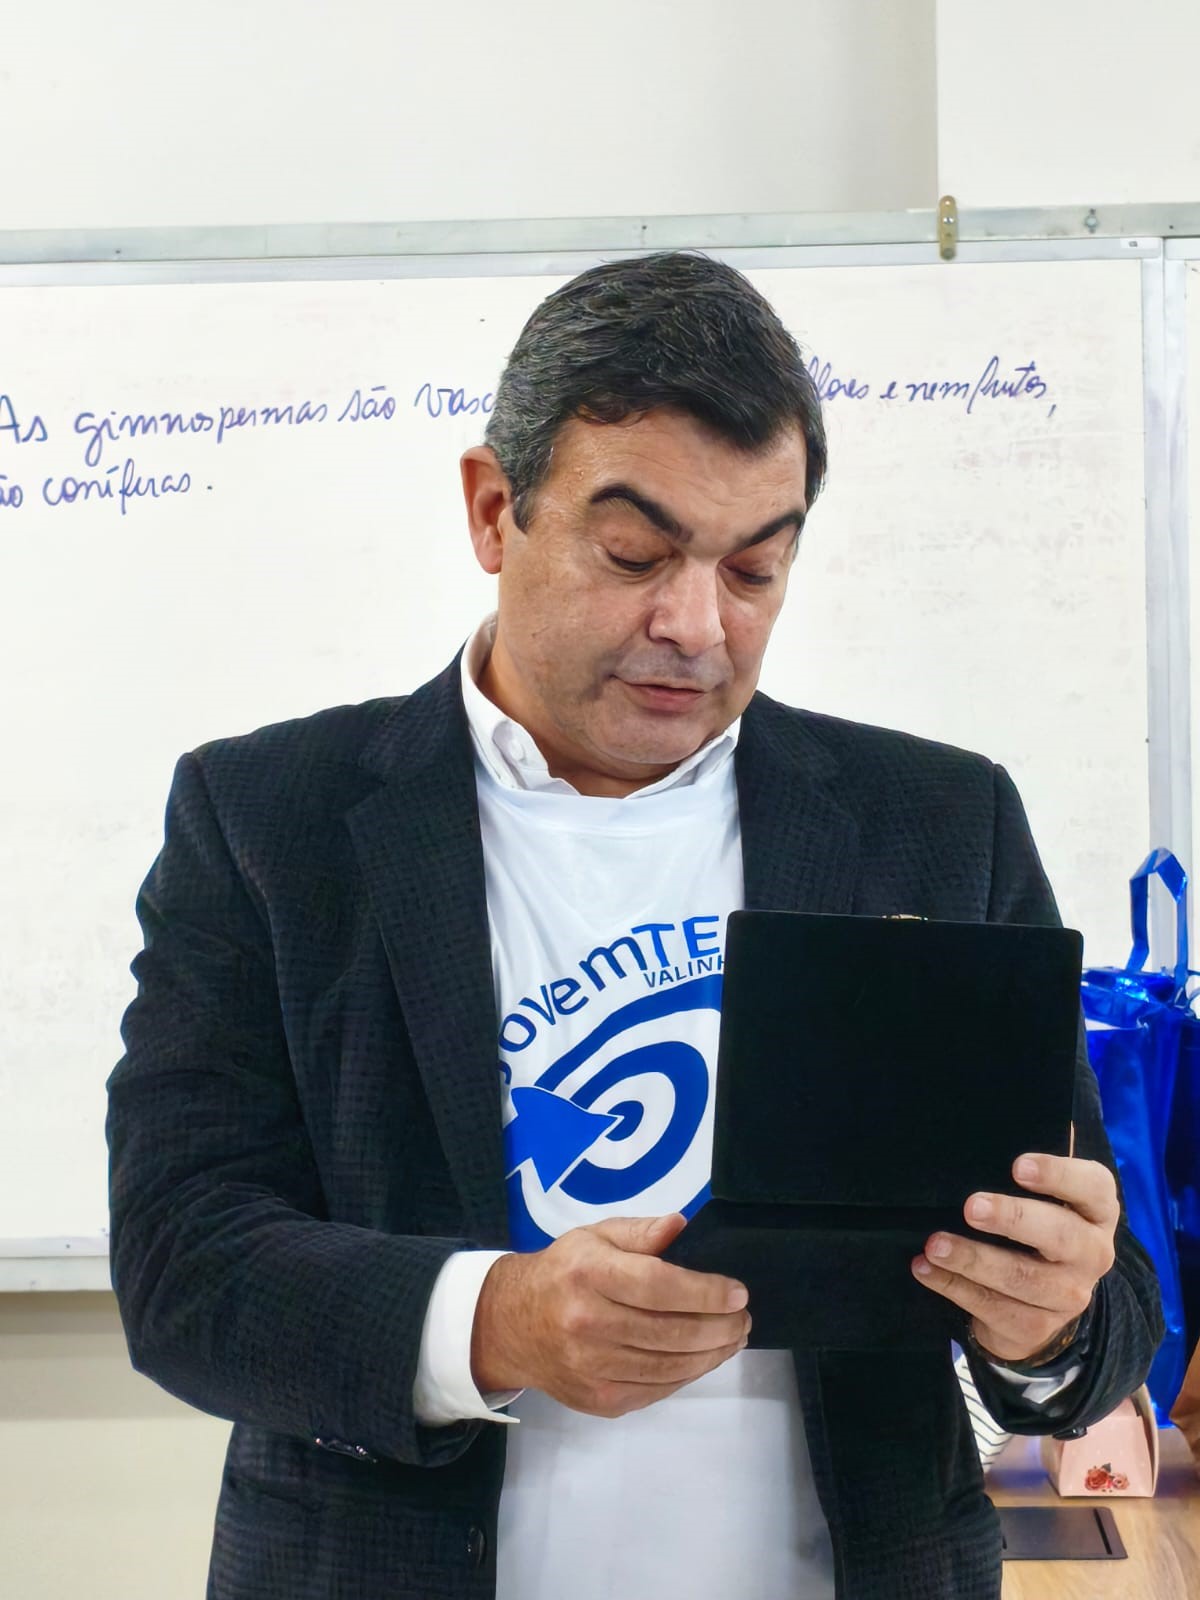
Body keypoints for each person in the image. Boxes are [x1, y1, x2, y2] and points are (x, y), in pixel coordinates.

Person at [107, 251, 1162, 1600]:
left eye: (755, 570)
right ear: (495, 511)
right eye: (634, 555)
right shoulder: (271, 820)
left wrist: (1051, 1320)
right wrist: (495, 1321)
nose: (695, 625)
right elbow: (185, 1262)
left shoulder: (938, 823)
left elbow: (1110, 1308)